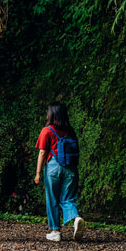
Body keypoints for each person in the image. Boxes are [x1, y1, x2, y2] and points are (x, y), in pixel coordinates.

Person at [33, 101, 86, 242]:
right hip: (70, 168)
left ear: (51, 114)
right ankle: (76, 218)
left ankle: (55, 231)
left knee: (53, 198)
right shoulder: (71, 131)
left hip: (53, 168)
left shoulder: (47, 130)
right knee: (68, 198)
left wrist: (38, 173)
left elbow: (43, 152)